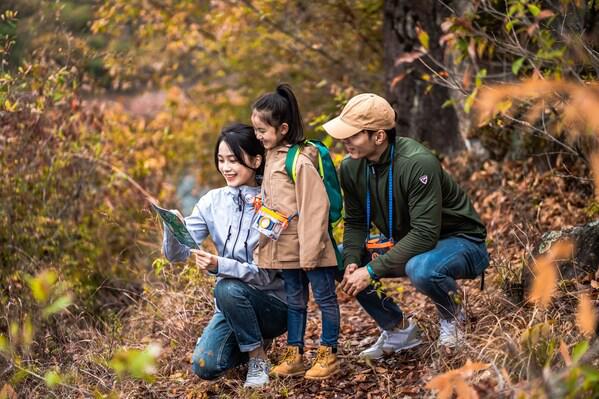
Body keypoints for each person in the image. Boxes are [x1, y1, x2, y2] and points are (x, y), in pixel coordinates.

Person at [322, 93, 489, 359]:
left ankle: (454, 316)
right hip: (411, 242)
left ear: (378, 136)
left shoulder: (417, 163)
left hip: (462, 242)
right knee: (336, 257)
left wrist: (371, 271)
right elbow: (355, 221)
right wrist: (354, 260)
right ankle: (398, 330)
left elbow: (424, 233)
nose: (344, 141)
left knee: (421, 268)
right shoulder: (351, 168)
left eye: (352, 135)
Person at [162, 123, 287, 388]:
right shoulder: (212, 201)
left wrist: (221, 265)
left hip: (273, 304)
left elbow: (266, 275)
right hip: (231, 305)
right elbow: (177, 255)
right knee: (205, 366)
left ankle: (257, 357)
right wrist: (171, 227)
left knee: (228, 287)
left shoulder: (272, 202)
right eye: (221, 160)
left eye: (234, 160)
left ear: (256, 160)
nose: (226, 168)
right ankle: (251, 337)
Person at [251, 84, 341, 379]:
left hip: (311, 247)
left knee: (325, 298)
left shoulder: (298, 161)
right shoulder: (271, 157)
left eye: (262, 130)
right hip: (286, 249)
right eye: (256, 130)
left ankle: (328, 353)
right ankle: (296, 353)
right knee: (295, 301)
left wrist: (311, 251)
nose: (258, 136)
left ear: (283, 128)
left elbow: (315, 207)